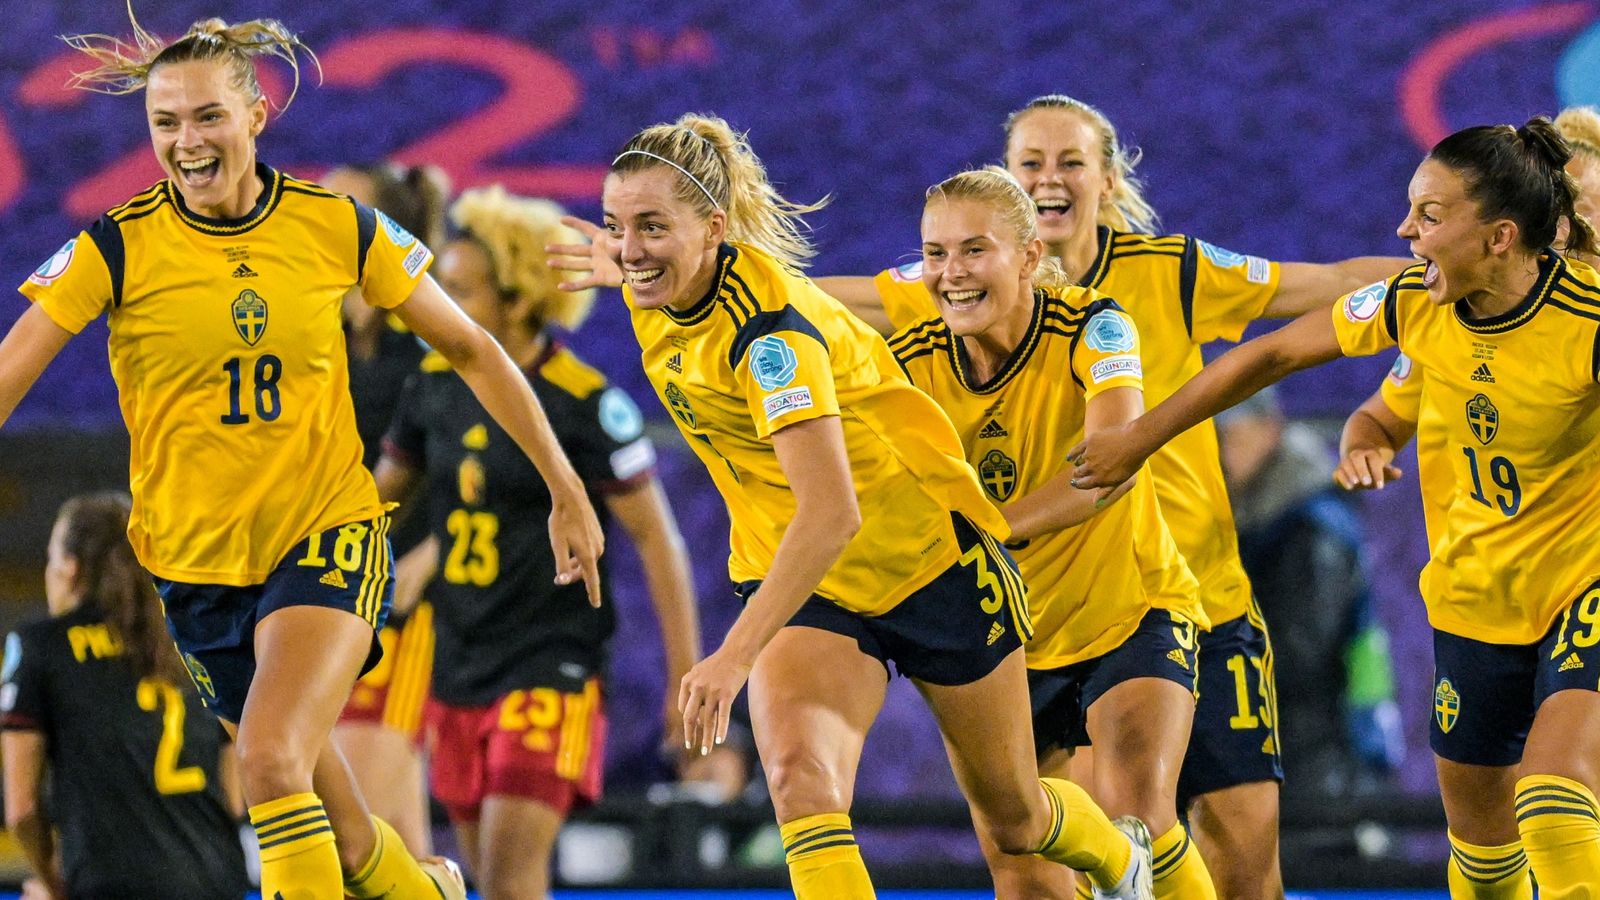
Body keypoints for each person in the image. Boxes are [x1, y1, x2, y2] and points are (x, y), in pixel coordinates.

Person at [0, 12, 604, 900]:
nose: (186, 142)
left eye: (207, 116)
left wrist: (564, 485)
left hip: (326, 532)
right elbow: (9, 373)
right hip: (195, 567)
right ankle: (424, 889)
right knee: (346, 833)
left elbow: (474, 347)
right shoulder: (114, 246)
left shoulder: (337, 227)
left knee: (272, 758)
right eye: (165, 123)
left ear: (255, 113)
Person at [816, 94, 1409, 900]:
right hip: (1045, 615)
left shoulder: (1166, 274)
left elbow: (1329, 285)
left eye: (1069, 162)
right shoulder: (956, 285)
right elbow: (825, 302)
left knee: (1239, 864)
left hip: (1197, 604)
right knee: (1075, 853)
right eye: (1029, 164)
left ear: (1108, 177)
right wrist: (697, 274)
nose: (1049, 178)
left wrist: (1455, 275)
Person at [548, 113, 1153, 899]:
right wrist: (627, 258)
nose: (629, 249)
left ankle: (1120, 860)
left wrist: (731, 657)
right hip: (811, 585)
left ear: (715, 231)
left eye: (652, 227)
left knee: (1017, 820)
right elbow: (818, 530)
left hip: (932, 563)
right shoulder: (659, 287)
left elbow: (833, 511)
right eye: (616, 227)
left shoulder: (771, 342)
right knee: (802, 784)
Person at [1068, 117, 1600, 898]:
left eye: (1428, 215)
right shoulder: (1424, 305)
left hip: (1582, 588)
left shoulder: (1585, 321)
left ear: (1499, 237)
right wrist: (1143, 435)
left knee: (1554, 794)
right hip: (1475, 601)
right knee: (1484, 852)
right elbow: (1274, 352)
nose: (1403, 231)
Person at [890, 166, 1216, 897]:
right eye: (935, 254)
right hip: (1004, 638)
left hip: (1130, 609)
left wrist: (989, 531)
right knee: (1023, 864)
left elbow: (1114, 463)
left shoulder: (1095, 325)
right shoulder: (906, 366)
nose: (951, 273)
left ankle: (1130, 864)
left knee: (1142, 814)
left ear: (1030, 258)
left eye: (975, 250)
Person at [372, 184, 703, 899]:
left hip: (550, 661)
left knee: (510, 882)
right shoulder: (431, 384)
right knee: (479, 881)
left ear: (519, 298)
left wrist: (687, 678)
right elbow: (376, 503)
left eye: (461, 289)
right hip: (457, 663)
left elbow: (658, 541)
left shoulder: (584, 402)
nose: (440, 306)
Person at [1, 492, 249, 900]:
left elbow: (22, 811)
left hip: (109, 886)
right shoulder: (193, 642)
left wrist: (52, 886)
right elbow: (234, 799)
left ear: (68, 567)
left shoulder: (39, 646)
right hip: (216, 881)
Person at [320, 161, 452, 858]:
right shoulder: (320, 341)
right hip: (329, 592)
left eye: (339, 205)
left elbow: (471, 469)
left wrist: (429, 558)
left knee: (371, 815)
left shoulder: (422, 345)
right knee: (378, 824)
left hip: (402, 605)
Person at [1216, 390, 1404, 799]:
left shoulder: (1312, 527)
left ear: (1269, 429)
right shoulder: (1265, 520)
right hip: (1296, 756)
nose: (1219, 454)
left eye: (1228, 436)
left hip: (1324, 768)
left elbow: (1298, 655)